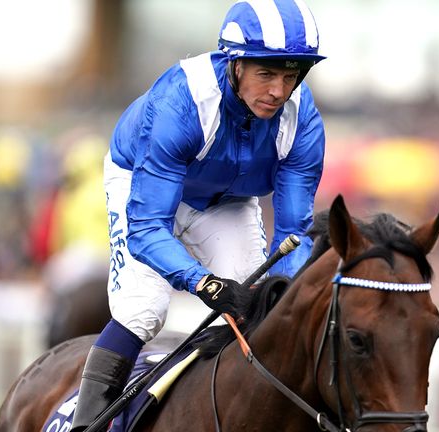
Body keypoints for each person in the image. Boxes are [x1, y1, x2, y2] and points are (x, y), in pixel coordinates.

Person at [69, 1, 327, 430]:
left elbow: (294, 235)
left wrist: (286, 298)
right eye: (266, 73)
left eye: (290, 75)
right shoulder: (183, 102)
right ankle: (86, 425)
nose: (279, 91)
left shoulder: (303, 123)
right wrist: (204, 283)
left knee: (259, 308)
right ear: (235, 65)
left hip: (226, 202)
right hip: (142, 188)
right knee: (143, 308)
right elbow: (148, 228)